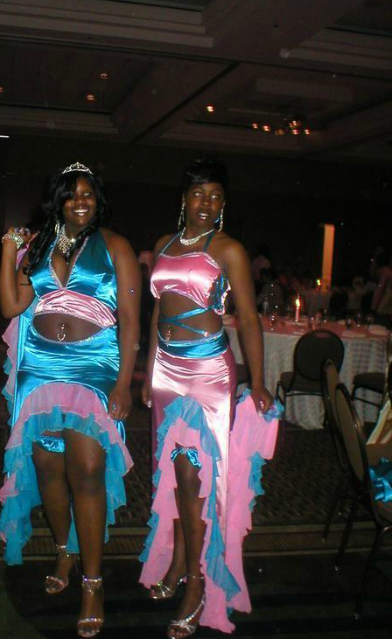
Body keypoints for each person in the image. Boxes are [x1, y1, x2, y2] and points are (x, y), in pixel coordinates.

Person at [0, 162, 140, 638]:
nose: (81, 201)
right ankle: (64, 549)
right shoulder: (38, 245)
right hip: (40, 366)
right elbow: (12, 306)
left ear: (99, 200)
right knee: (47, 467)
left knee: (88, 470)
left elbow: (131, 321)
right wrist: (9, 250)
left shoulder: (116, 246)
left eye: (89, 194)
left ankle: (93, 583)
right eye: (72, 193)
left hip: (94, 366)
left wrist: (124, 383)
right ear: (57, 199)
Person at [139, 159, 280, 637]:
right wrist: (149, 371)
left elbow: (249, 319)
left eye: (216, 196)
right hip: (166, 371)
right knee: (174, 473)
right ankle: (180, 559)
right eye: (199, 194)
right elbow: (157, 313)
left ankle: (198, 582)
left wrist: (257, 382)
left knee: (195, 476)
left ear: (224, 203)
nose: (207, 203)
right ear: (184, 198)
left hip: (208, 373)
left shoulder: (229, 250)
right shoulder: (164, 244)